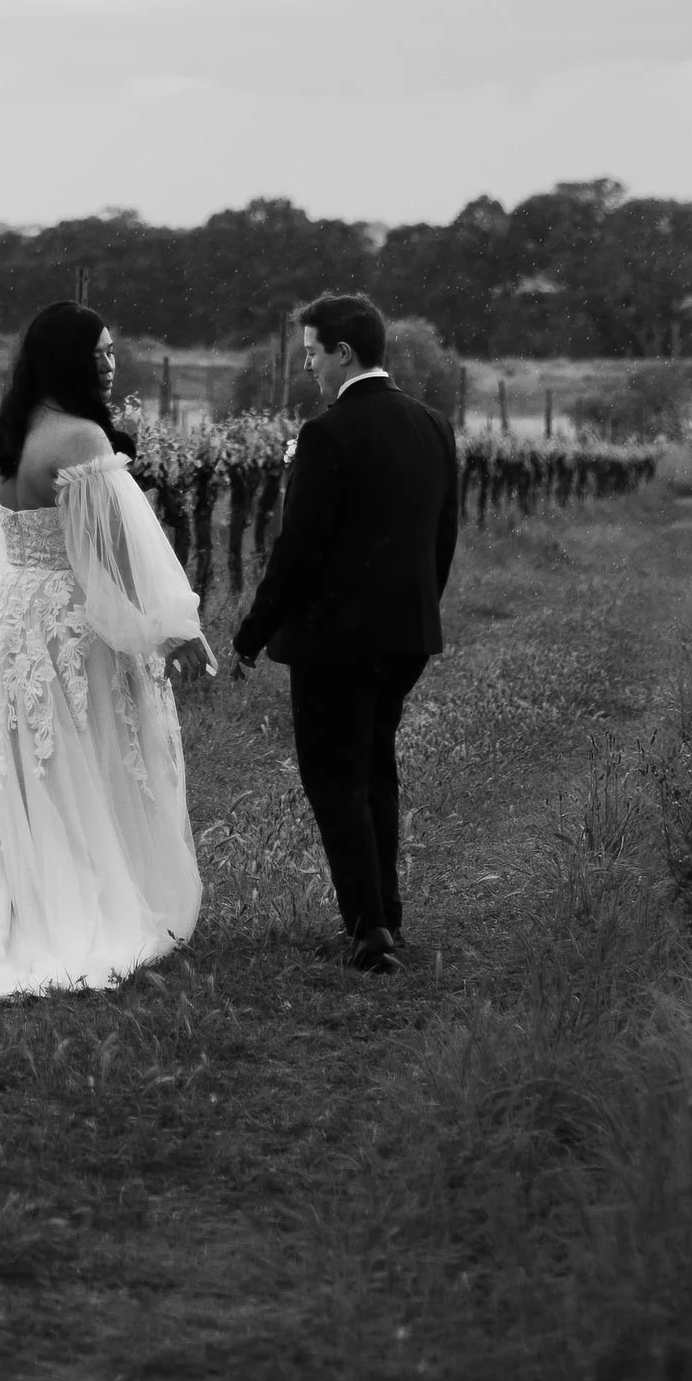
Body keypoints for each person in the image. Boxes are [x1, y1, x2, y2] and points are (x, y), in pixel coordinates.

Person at [0, 300, 214, 1005]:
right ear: (69, 360)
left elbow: (12, 540)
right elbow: (112, 556)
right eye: (99, 353)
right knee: (83, 757)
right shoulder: (80, 439)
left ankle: (9, 897)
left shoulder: (9, 433)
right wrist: (171, 627)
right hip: (69, 619)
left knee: (19, 766)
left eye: (112, 351)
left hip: (11, 614)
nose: (110, 364)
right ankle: (78, 900)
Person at [231, 290, 459, 976]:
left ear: (343, 353)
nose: (308, 368)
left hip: (335, 640)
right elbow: (443, 537)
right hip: (406, 634)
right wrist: (415, 609)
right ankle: (385, 915)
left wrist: (252, 632)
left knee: (334, 777)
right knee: (375, 768)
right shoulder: (432, 426)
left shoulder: (327, 434)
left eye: (312, 355)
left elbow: (298, 550)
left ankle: (368, 932)